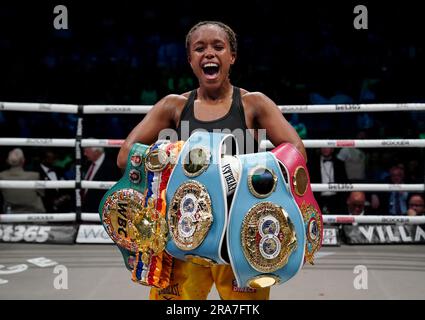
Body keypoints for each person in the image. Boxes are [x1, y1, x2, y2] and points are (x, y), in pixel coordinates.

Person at [117, 21, 306, 300]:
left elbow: (296, 151)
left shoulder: (254, 104)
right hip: (184, 234)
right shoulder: (174, 106)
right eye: (200, 48)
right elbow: (126, 155)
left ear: (232, 56)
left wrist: (250, 172)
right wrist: (169, 157)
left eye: (218, 47)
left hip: (240, 236)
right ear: (190, 59)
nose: (209, 53)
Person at [0, 148, 46, 213]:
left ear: (7, 161)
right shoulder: (35, 176)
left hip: (12, 216)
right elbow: (42, 194)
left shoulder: (1, 176)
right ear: (23, 161)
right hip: (34, 216)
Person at [82, 147, 121, 213]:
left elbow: (112, 193)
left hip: (99, 212)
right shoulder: (88, 163)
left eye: (87, 151)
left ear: (96, 151)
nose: (84, 154)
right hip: (86, 211)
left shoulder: (110, 166)